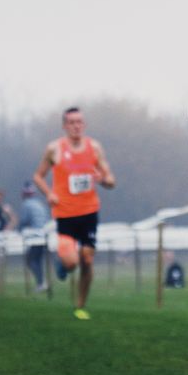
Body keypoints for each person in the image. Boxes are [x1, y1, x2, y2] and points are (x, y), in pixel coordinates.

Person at [35, 108, 116, 320]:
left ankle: (80, 305)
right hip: (65, 214)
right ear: (64, 126)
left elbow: (111, 181)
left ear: (84, 125)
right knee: (72, 262)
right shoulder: (54, 149)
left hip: (89, 212)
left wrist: (103, 179)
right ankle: (62, 263)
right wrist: (49, 193)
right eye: (71, 122)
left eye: (79, 122)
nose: (76, 126)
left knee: (87, 260)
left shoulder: (95, 148)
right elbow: (38, 176)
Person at [18, 181, 50, 293]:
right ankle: (41, 282)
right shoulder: (39, 204)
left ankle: (41, 282)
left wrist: (19, 230)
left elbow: (24, 221)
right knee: (37, 260)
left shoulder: (26, 205)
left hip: (34, 237)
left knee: (31, 260)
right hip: (44, 235)